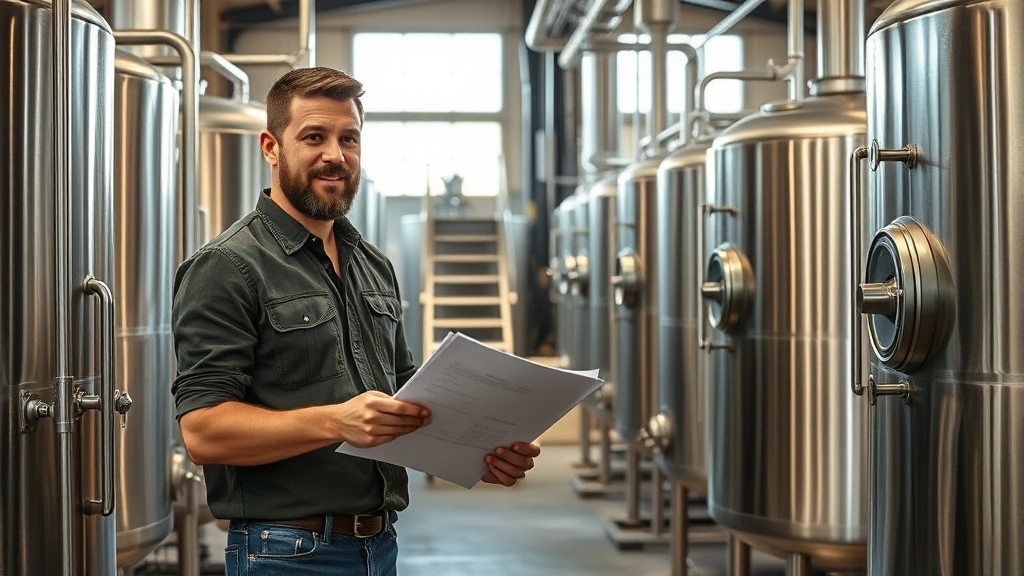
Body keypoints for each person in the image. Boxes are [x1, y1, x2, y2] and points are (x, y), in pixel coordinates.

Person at [171, 67, 541, 576]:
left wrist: (486, 451)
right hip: (285, 553)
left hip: (378, 545)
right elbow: (203, 432)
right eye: (314, 137)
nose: (336, 155)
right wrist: (336, 420)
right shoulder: (228, 266)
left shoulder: (372, 264)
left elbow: (408, 403)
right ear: (271, 148)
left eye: (349, 138)